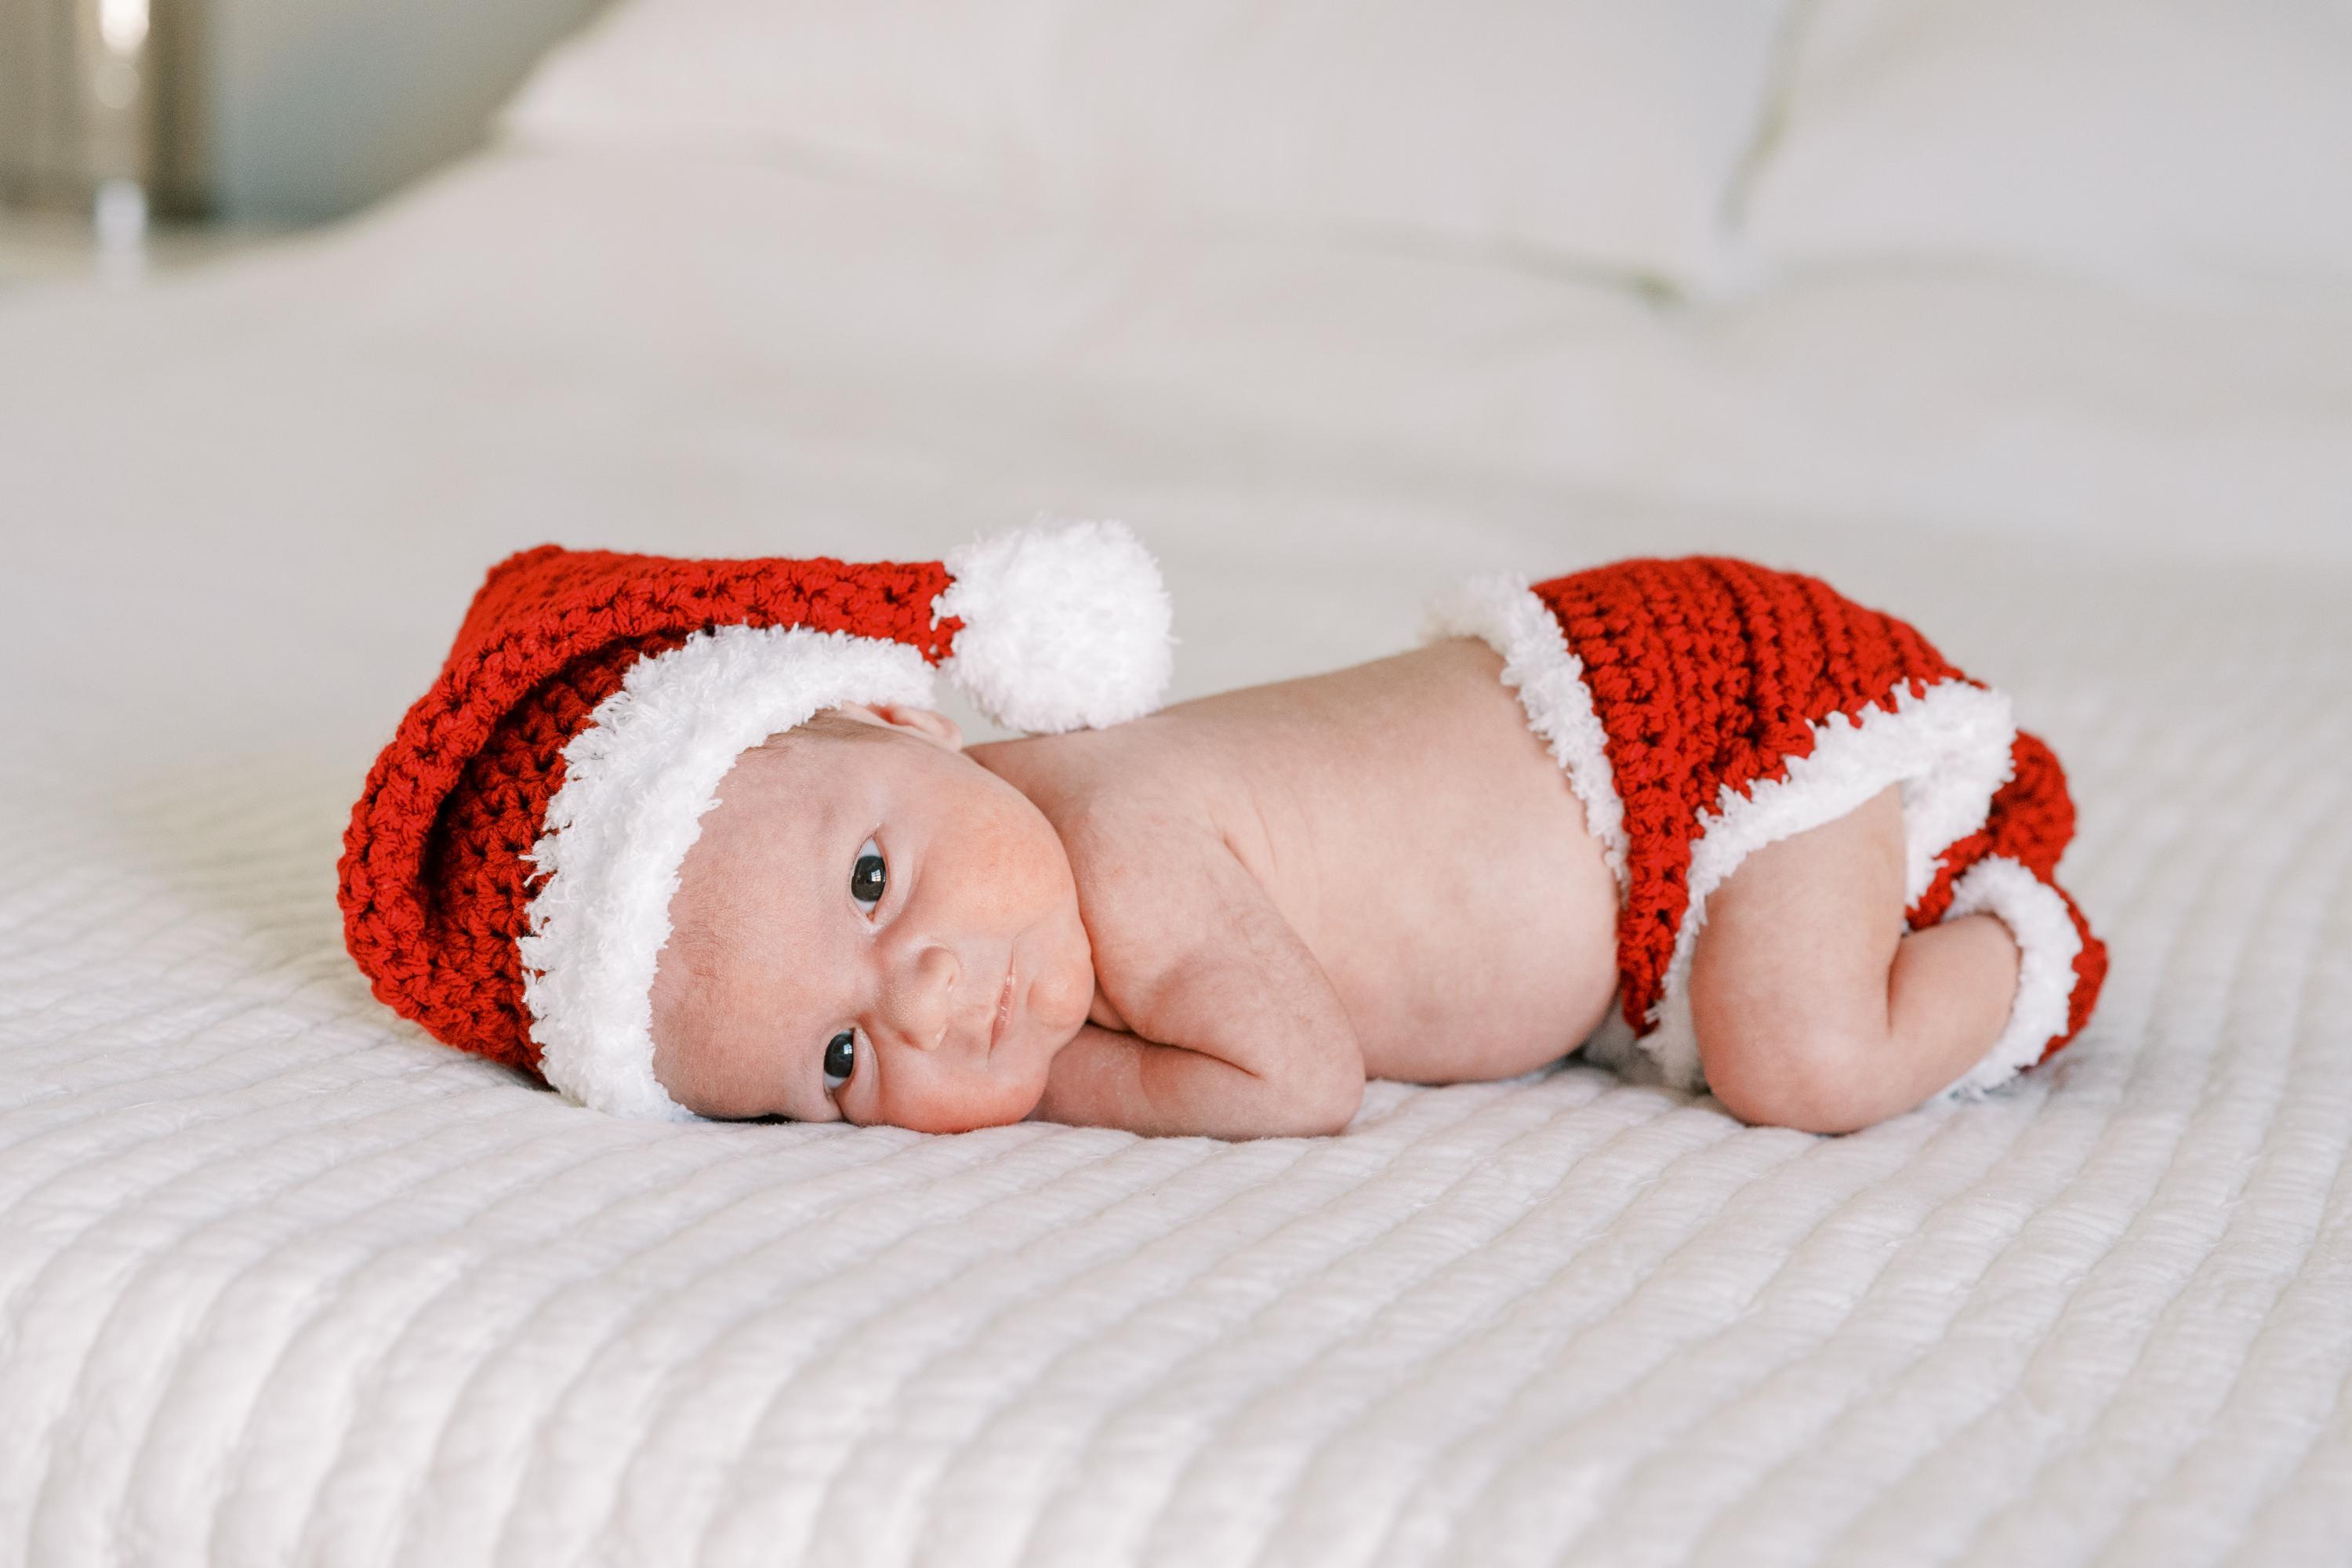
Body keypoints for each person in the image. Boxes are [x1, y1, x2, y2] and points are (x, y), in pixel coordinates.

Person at [340, 524, 2105, 1138]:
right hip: (1634, 895)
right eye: (841, 1057)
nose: (938, 997)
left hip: (1694, 734)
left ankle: (2020, 946)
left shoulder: (1110, 833)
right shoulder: (1043, 901)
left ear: (911, 718)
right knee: (1740, 1029)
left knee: (1799, 1055)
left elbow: (1300, 1078)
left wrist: (1065, 1082)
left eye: (876, 883)